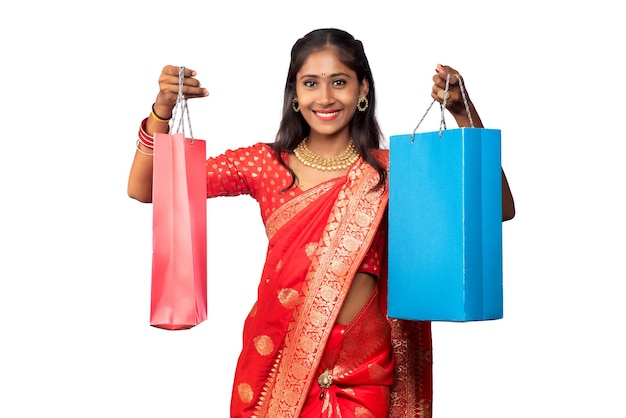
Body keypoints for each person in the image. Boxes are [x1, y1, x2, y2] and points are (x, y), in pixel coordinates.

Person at [128, 28, 515, 418]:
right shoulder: (265, 165)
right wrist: (162, 111)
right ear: (295, 94)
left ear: (363, 90)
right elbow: (148, 188)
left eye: (340, 82)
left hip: (364, 374)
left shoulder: (395, 169)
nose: (326, 97)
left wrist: (464, 114)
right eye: (311, 83)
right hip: (278, 365)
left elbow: (494, 209)